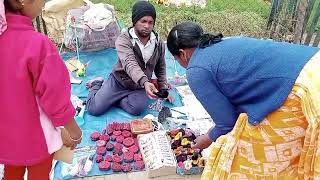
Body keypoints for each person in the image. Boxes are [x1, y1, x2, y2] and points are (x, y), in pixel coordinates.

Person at [167, 22, 320, 179]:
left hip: (303, 87)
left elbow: (227, 123)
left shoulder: (196, 69)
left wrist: (207, 138)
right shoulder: (221, 42)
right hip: (313, 62)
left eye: (176, 60)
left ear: (182, 54)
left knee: (252, 159)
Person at [0, 0, 82, 179]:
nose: (44, 3)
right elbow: (55, 98)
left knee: (11, 172)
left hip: (6, 138)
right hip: (36, 139)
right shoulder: (37, 44)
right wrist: (74, 131)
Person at [86, 1, 168, 116]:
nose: (147, 26)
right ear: (134, 21)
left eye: (150, 22)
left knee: (137, 109)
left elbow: (161, 66)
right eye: (143, 21)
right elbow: (130, 63)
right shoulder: (124, 40)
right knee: (94, 109)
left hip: (139, 86)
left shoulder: (158, 42)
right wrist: (145, 82)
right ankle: (97, 83)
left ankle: (113, 99)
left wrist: (163, 87)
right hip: (120, 81)